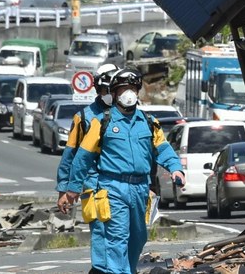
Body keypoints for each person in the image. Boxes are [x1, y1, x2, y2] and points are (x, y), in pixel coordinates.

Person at [63, 68, 185, 274]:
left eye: (132, 89)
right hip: (112, 188)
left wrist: (176, 169)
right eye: (123, 89)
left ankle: (126, 270)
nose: (128, 93)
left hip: (140, 188)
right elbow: (82, 158)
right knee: (117, 238)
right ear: (114, 93)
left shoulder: (148, 122)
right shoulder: (101, 122)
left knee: (138, 237)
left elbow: (163, 149)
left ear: (138, 92)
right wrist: (72, 188)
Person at [56, 63, 118, 270]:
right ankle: (101, 269)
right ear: (97, 89)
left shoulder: (131, 115)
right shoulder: (83, 118)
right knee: (100, 231)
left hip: (123, 185)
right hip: (94, 185)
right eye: (106, 89)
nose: (111, 94)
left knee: (127, 234)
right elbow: (71, 155)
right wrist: (64, 189)